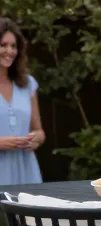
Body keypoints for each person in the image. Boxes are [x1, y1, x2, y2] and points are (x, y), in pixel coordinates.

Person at [0, 17, 44, 185]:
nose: (9, 51)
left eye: (13, 46)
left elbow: (39, 131)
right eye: (3, 45)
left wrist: (35, 139)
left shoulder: (27, 84)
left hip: (27, 173)